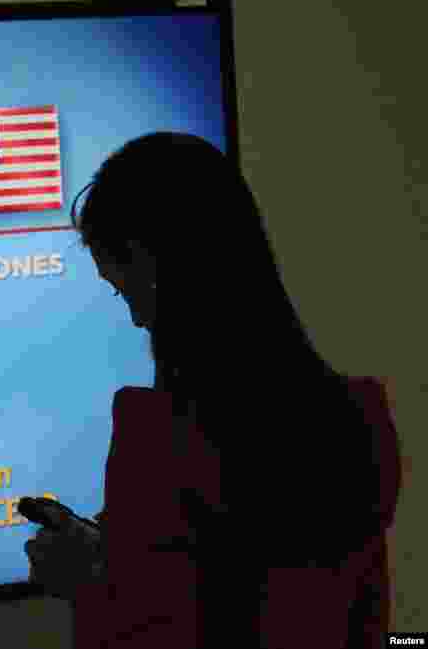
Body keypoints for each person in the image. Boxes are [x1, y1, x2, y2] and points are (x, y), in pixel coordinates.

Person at [24, 132, 401, 648]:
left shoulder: (161, 441)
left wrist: (89, 582)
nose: (134, 316)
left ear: (147, 261)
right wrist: (118, 557)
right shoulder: (359, 419)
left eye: (122, 286)